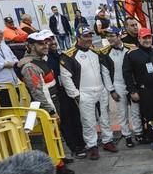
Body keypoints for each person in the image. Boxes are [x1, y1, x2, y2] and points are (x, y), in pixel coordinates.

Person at [18, 30, 74, 174]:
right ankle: (57, 165)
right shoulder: (30, 66)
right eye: (40, 44)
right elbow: (37, 93)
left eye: (45, 43)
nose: (45, 46)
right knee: (49, 135)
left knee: (56, 133)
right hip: (45, 105)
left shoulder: (40, 60)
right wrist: (50, 111)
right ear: (30, 46)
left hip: (53, 100)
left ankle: (59, 157)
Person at [59, 26, 118, 160]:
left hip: (100, 90)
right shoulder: (69, 55)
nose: (89, 39)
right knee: (88, 121)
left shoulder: (96, 52)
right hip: (84, 93)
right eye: (85, 36)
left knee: (105, 118)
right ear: (78, 38)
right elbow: (65, 77)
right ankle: (92, 146)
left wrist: (107, 88)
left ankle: (108, 141)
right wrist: (75, 95)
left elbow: (104, 70)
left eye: (90, 36)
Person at [123, 28, 153, 150]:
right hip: (145, 90)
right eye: (144, 38)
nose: (147, 40)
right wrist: (132, 90)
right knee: (150, 115)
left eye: (149, 37)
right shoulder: (131, 54)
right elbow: (127, 74)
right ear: (139, 39)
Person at [46, 35, 86, 159]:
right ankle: (74, 147)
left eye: (53, 39)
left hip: (68, 91)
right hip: (56, 95)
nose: (52, 42)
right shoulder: (44, 59)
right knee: (66, 122)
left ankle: (82, 143)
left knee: (76, 118)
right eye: (48, 41)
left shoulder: (60, 54)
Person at [101, 26, 141, 148]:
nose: (109, 38)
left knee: (135, 111)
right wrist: (111, 90)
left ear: (119, 36)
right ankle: (127, 135)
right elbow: (105, 73)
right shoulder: (104, 52)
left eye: (112, 35)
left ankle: (138, 132)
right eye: (107, 36)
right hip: (117, 84)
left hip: (132, 84)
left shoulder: (131, 48)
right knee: (122, 112)